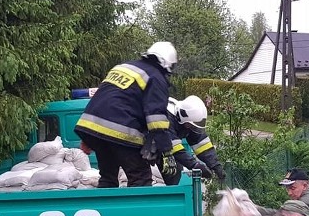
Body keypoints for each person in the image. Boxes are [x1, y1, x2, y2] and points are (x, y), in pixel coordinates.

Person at [74, 41, 178, 187]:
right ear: (168, 64)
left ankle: (107, 209)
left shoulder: (122, 67)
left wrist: (89, 138)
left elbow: (108, 99)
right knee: (140, 177)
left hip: (90, 127)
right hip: (120, 129)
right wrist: (166, 151)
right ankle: (137, 210)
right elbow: (156, 119)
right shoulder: (156, 77)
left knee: (108, 177)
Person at [157, 95, 226, 185]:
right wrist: (194, 165)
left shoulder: (188, 120)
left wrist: (216, 165)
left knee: (174, 170)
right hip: (146, 147)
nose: (192, 128)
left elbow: (202, 144)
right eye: (191, 125)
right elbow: (174, 147)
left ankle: (171, 196)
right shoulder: (165, 116)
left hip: (162, 148)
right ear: (182, 118)